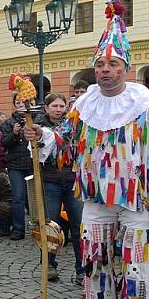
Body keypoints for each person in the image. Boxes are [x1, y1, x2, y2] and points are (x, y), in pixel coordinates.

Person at [24, 0, 149, 299]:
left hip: (138, 199)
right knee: (94, 258)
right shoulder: (84, 103)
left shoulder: (146, 103)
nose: (105, 70)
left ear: (125, 68)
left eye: (113, 64)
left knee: (135, 262)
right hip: (96, 196)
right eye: (100, 64)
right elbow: (64, 138)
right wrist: (43, 137)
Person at [35, 92, 84, 284]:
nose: (58, 109)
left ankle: (82, 269)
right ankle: (49, 266)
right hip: (50, 180)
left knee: (78, 225)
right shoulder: (39, 126)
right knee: (50, 226)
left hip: (73, 181)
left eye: (61, 106)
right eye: (54, 106)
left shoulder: (74, 124)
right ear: (46, 108)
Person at [1, 94, 32, 240]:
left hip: (32, 164)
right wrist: (14, 133)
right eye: (18, 102)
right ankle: (18, 229)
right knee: (18, 197)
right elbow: (4, 144)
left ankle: (38, 228)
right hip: (15, 164)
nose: (21, 105)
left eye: (23, 102)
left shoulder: (36, 119)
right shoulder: (8, 122)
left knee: (34, 198)